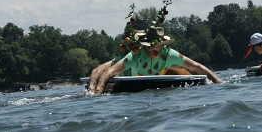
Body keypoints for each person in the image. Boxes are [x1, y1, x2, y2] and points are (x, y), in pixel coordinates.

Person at [90, 26, 223, 94]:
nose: (149, 51)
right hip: (130, 83)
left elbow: (197, 66)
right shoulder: (133, 56)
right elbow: (106, 71)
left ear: (162, 46)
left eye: (154, 48)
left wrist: (218, 82)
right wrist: (96, 90)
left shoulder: (170, 54)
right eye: (147, 48)